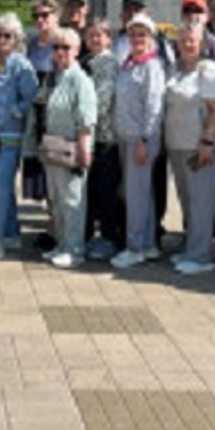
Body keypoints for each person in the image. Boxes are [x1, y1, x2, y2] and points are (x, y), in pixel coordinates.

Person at [161, 23, 215, 277]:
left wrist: (207, 141)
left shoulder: (209, 70)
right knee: (188, 200)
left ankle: (200, 256)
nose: (187, 44)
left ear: (202, 43)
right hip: (177, 144)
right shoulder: (175, 69)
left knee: (202, 202)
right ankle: (191, 248)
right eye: (183, 39)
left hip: (200, 147)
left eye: (193, 40)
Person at [34, 26, 98, 269]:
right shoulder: (54, 76)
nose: (60, 51)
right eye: (56, 47)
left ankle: (74, 249)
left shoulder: (80, 80)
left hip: (73, 148)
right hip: (53, 148)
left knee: (73, 201)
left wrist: (84, 149)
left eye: (66, 47)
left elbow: (86, 118)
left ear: (77, 50)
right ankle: (62, 244)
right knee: (57, 200)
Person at [110, 14, 166, 270]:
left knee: (136, 195)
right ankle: (148, 243)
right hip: (126, 136)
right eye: (133, 34)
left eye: (142, 34)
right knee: (142, 192)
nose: (136, 38)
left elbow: (154, 107)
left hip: (140, 138)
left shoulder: (152, 67)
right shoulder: (129, 63)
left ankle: (135, 248)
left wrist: (145, 138)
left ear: (150, 37)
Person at [0, 12, 40, 260]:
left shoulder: (21, 64)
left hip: (11, 135)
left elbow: (33, 95)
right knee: (3, 187)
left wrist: (15, 111)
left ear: (16, 38)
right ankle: (11, 232)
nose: (2, 40)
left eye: (7, 35)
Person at [81, 17, 123, 261]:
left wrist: (81, 121)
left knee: (106, 191)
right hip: (87, 138)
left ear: (108, 38)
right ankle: (86, 237)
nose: (95, 39)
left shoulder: (109, 63)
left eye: (99, 35)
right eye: (90, 35)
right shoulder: (86, 61)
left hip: (104, 138)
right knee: (90, 191)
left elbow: (102, 101)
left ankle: (108, 238)